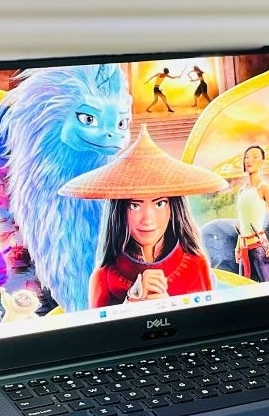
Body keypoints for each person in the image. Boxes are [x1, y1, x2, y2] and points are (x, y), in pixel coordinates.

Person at [59, 125, 228, 307]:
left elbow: (208, 321)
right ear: (119, 212)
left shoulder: (196, 265)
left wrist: (170, 308)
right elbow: (99, 325)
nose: (147, 219)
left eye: (160, 203)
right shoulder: (104, 276)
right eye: (134, 206)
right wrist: (131, 301)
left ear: (174, 209)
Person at [235, 145, 269, 282]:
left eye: (255, 157)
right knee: (243, 287)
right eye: (247, 157)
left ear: (262, 161)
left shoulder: (264, 188)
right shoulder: (242, 190)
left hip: (259, 247)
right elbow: (243, 220)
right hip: (243, 248)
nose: (249, 160)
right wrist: (237, 246)